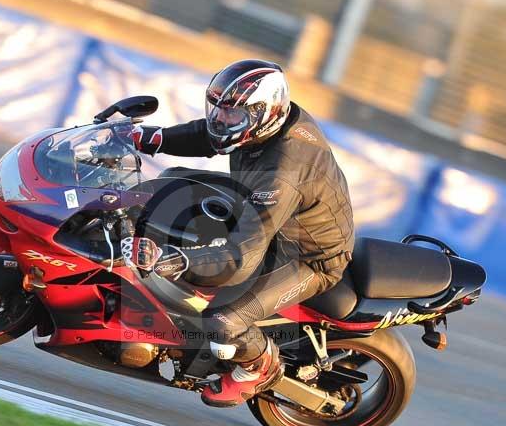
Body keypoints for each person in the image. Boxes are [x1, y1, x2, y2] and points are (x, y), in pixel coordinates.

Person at [125, 59, 354, 407]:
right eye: (218, 109)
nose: (222, 120)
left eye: (232, 115)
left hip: (308, 257)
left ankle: (259, 365)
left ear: (265, 112)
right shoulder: (267, 124)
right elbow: (210, 135)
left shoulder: (284, 170)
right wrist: (155, 138)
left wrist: (177, 260)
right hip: (267, 212)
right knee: (169, 183)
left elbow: (241, 257)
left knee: (222, 321)